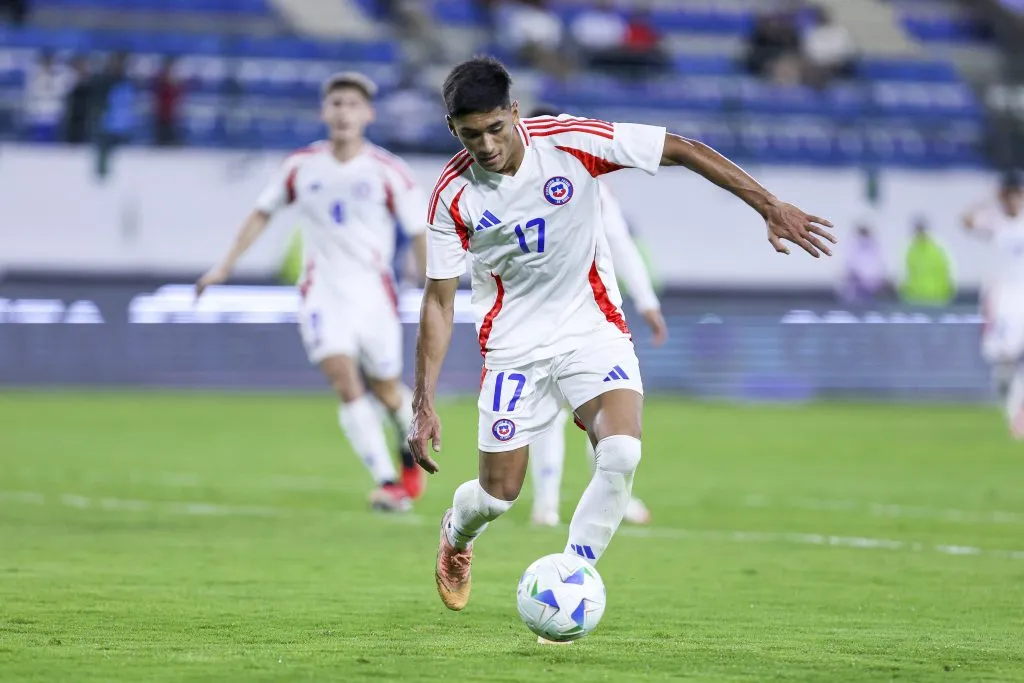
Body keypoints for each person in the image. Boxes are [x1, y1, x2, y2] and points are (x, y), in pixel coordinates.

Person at [407, 57, 835, 619]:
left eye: (495, 128)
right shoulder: (451, 195)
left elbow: (679, 148)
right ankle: (456, 537)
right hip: (513, 350)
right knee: (497, 496)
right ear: (451, 130)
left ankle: (572, 579)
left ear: (515, 113)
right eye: (470, 135)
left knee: (621, 451)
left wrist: (770, 205)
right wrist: (424, 400)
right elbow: (439, 300)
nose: (486, 145)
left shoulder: (571, 142)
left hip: (593, 331)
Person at [196, 72, 429, 511]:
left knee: (386, 389)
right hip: (322, 292)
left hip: (374, 295)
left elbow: (418, 228)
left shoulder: (388, 170)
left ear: (368, 115)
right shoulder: (300, 166)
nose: (344, 112)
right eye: (336, 103)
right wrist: (223, 266)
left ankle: (408, 457)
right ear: (324, 111)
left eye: (352, 105)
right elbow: (261, 213)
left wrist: (426, 274)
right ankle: (387, 482)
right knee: (344, 380)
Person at [524, 105, 666, 528]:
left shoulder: (592, 184)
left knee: (604, 406)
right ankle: (545, 504)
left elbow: (621, 243)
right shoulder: (507, 189)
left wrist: (646, 300)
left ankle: (612, 496)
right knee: (547, 409)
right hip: (536, 318)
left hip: (591, 317)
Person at [962, 170, 1024, 438]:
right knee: (1003, 357)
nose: (1013, 200)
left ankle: (1017, 415)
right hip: (1002, 298)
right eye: (1009, 194)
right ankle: (1010, 407)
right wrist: (990, 197)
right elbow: (965, 220)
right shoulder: (996, 221)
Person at [900, 218, 955, 306]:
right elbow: (904, 275)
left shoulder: (938, 249)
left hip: (937, 299)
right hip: (914, 299)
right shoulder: (910, 251)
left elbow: (949, 272)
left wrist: (946, 294)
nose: (920, 233)